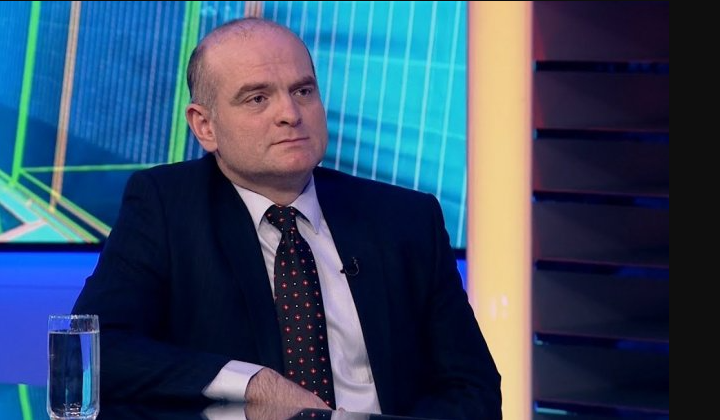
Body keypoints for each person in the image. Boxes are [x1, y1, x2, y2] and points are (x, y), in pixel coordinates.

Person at [73, 17, 501, 420]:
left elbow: (473, 389)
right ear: (205, 126)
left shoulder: (406, 219)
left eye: (303, 91)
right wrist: (251, 384)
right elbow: (96, 350)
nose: (290, 114)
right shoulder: (166, 206)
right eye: (258, 98)